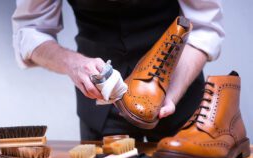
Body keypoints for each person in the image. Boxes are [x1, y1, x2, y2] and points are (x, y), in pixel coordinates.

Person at [12, 0, 224, 142]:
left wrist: (173, 91)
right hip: (99, 105)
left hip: (178, 95)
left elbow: (205, 27)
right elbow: (31, 31)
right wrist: (73, 64)